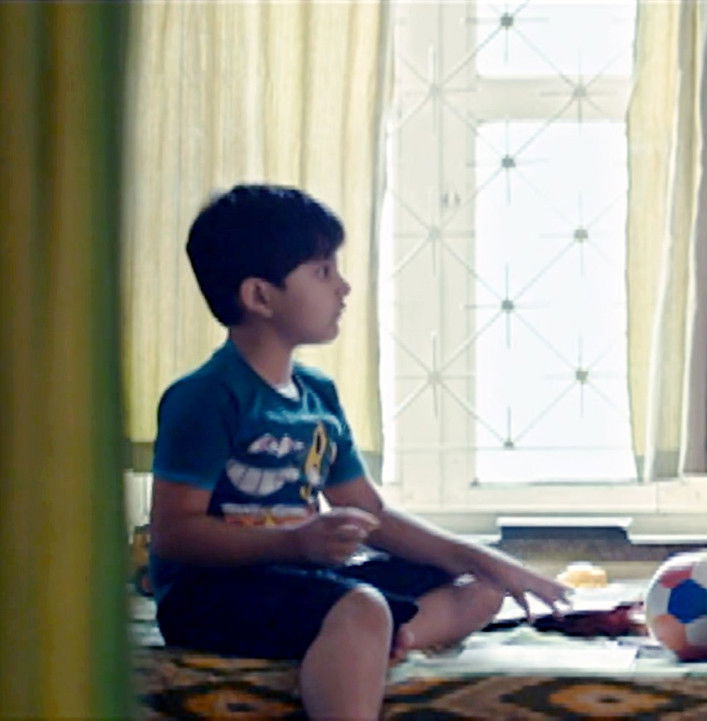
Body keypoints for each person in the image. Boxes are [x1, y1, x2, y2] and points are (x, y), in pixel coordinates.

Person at [149, 184, 570, 720]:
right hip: (213, 595)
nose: (343, 287)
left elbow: (371, 514)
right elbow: (175, 535)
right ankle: (367, 632)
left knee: (481, 588)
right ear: (260, 297)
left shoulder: (317, 395)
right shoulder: (207, 397)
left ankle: (382, 638)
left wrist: (490, 560)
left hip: (301, 579)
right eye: (323, 271)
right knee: (362, 604)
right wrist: (294, 543)